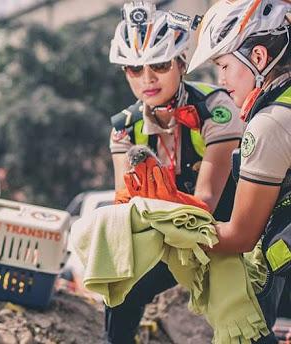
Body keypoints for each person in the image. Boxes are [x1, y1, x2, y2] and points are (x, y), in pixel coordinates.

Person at [106, 2, 246, 343]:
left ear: (181, 63)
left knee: (245, 321)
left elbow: (206, 200)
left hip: (225, 232)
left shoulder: (216, 108)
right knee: (119, 291)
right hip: (168, 238)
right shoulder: (124, 128)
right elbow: (125, 209)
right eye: (134, 69)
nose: (147, 79)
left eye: (159, 64)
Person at [187, 0, 291, 341]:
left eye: (225, 65)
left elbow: (240, 237)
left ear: (258, 59)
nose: (221, 79)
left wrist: (170, 232)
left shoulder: (271, 124)